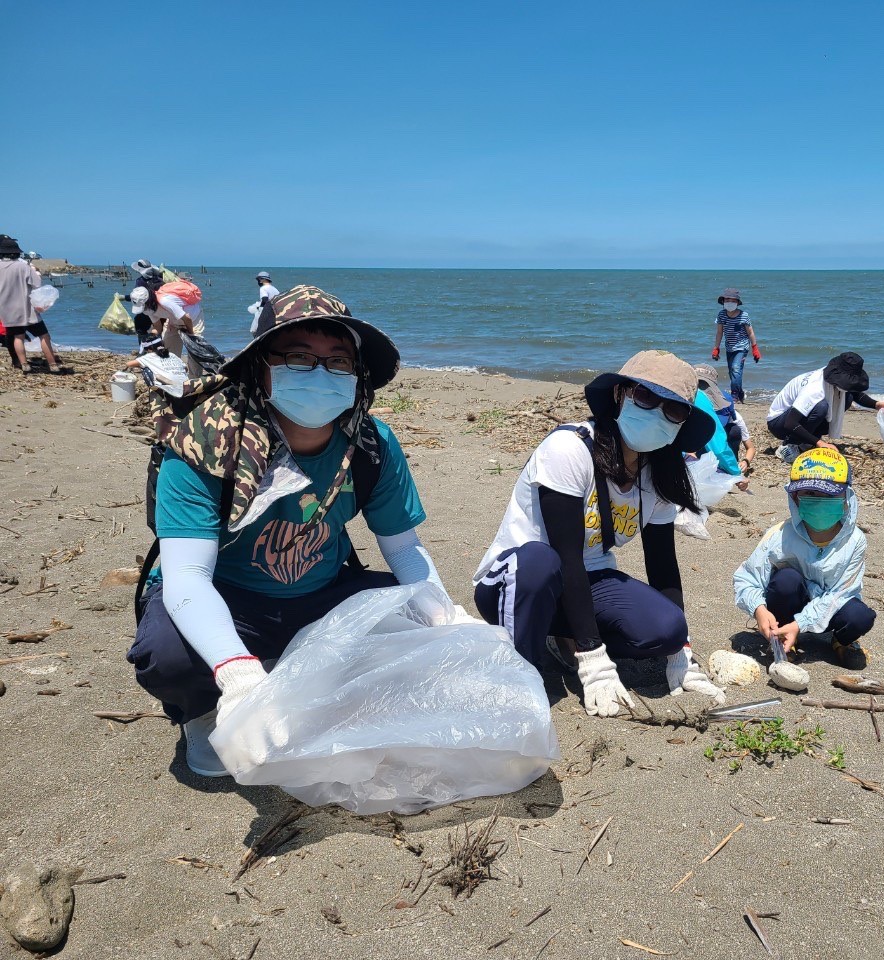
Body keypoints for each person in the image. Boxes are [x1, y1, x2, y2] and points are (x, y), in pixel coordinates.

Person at [128, 285, 457, 778]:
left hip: (319, 593)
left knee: (414, 616)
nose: (321, 373)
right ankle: (206, 708)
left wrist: (446, 617)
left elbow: (405, 549)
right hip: (228, 599)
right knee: (168, 656)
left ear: (357, 374)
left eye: (338, 361)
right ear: (261, 364)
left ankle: (290, 670)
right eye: (299, 357)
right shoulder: (202, 442)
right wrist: (236, 672)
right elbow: (188, 577)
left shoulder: (370, 444)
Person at [473, 350, 726, 717]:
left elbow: (662, 565)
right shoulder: (569, 449)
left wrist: (681, 652)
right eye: (646, 396)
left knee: (665, 629)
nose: (657, 412)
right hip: (519, 580)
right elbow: (566, 554)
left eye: (672, 409)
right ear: (620, 394)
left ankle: (564, 637)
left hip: (588, 580)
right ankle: (525, 666)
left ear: (682, 423)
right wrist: (593, 659)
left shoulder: (657, 475)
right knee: (541, 560)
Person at [732, 447, 875, 671]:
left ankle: (841, 640)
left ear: (846, 496)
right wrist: (759, 609)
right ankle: (783, 636)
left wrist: (801, 623)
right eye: (811, 494)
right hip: (790, 604)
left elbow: (840, 594)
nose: (819, 501)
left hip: (831, 608)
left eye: (829, 495)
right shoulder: (780, 535)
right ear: (795, 497)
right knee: (786, 580)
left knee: (860, 616)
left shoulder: (855, 541)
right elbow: (747, 578)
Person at [766, 352, 884, 462]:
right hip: (778, 423)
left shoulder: (833, 380)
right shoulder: (815, 389)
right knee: (821, 407)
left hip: (793, 421)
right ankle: (789, 446)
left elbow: (855, 394)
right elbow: (790, 423)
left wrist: (876, 404)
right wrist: (820, 443)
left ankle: (806, 442)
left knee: (846, 398)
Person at [0, 235, 68, 375]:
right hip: (27, 309)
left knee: (18, 337)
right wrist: (34, 270)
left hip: (7, 309)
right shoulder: (23, 266)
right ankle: (53, 365)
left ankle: (24, 364)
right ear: (17, 253)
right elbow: (37, 283)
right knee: (44, 335)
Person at [130, 276, 207, 378]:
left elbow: (187, 318)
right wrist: (149, 339)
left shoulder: (165, 301)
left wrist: (191, 335)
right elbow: (157, 327)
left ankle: (194, 379)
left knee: (195, 351)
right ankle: (175, 375)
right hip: (173, 321)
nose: (143, 309)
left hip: (193, 319)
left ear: (148, 300)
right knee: (167, 351)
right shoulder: (148, 309)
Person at [693, 364, 756, 476]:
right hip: (696, 451)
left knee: (734, 431)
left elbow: (750, 447)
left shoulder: (734, 417)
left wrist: (745, 462)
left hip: (717, 451)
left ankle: (726, 466)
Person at [709, 288, 761, 403]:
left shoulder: (744, 315)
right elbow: (719, 332)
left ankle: (734, 396)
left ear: (737, 302)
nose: (730, 302)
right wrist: (716, 348)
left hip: (742, 348)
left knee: (736, 369)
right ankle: (740, 392)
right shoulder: (722, 315)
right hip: (729, 347)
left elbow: (750, 332)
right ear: (723, 301)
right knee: (733, 373)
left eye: (733, 300)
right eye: (727, 299)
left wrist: (755, 348)